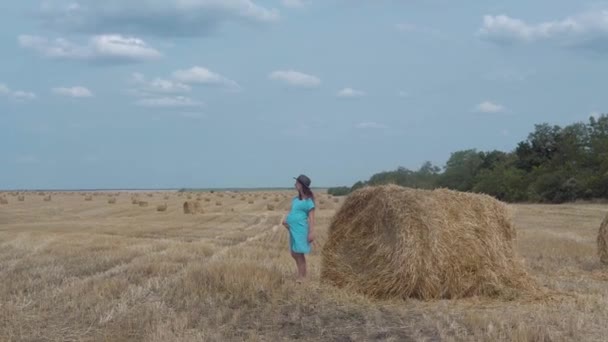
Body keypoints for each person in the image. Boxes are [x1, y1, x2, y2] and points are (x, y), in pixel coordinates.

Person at [282, 174, 315, 282]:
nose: (294, 184)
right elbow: (293, 212)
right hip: (292, 228)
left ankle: (302, 278)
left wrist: (311, 232)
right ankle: (300, 275)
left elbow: (311, 218)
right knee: (294, 253)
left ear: (301, 185)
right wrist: (286, 219)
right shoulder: (295, 199)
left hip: (301, 229)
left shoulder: (309, 201)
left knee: (299, 253)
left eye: (296, 183)